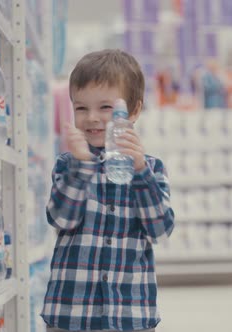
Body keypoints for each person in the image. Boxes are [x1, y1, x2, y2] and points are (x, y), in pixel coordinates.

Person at [41, 49, 175, 332]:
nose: (92, 118)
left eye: (105, 108)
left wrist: (140, 172)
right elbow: (60, 220)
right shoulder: (68, 164)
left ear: (134, 110)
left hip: (130, 315)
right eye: (81, 108)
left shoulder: (152, 168)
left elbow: (160, 230)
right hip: (71, 315)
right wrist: (81, 168)